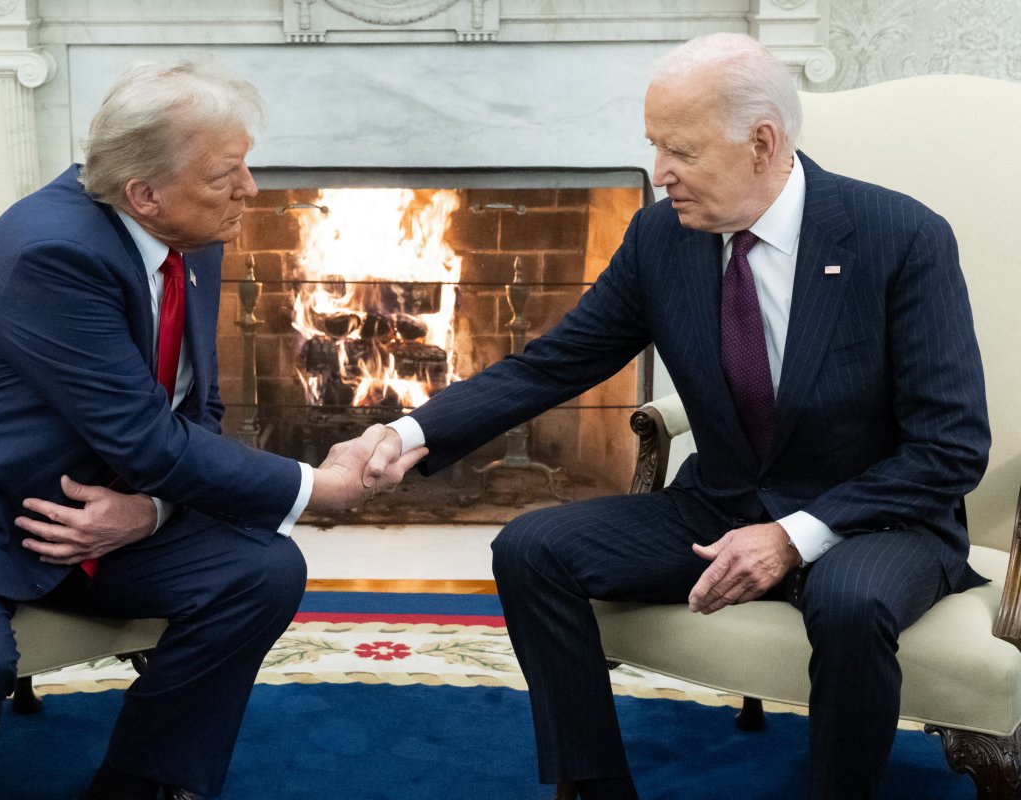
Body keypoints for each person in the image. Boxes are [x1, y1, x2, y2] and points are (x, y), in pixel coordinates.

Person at [364, 32, 990, 800]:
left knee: (851, 602)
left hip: (875, 519)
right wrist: (409, 432)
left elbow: (950, 448)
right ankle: (593, 786)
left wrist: (793, 537)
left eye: (681, 152)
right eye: (654, 146)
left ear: (762, 143)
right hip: (723, 500)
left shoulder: (900, 237)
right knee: (532, 548)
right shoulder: (662, 237)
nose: (659, 174)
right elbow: (554, 362)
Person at [0, 62, 420, 800]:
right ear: (145, 193)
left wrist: (151, 512)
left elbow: (193, 411)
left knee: (260, 571)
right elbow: (150, 440)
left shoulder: (189, 231)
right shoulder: (54, 253)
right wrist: (316, 489)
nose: (251, 190)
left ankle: (138, 784)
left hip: (83, 513)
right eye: (227, 173)